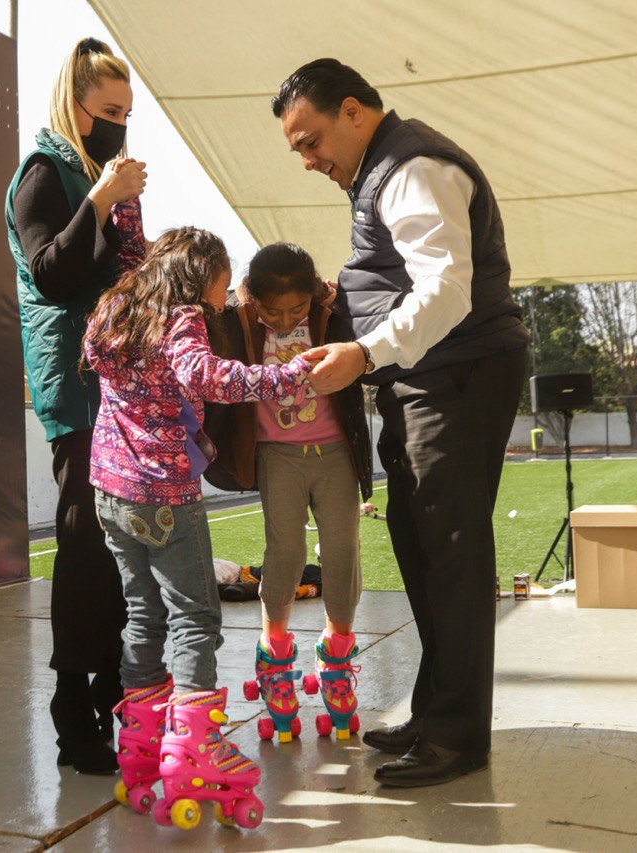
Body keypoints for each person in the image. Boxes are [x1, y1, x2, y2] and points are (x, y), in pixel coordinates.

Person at [272, 58, 530, 787]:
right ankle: (439, 714)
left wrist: (363, 349)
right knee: (423, 548)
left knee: (450, 552)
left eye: (310, 138)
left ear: (353, 111)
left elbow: (445, 288)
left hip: (457, 373)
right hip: (428, 377)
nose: (307, 159)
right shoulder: (381, 172)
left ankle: (457, 738)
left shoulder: (412, 165)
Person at [83, 227, 311, 826]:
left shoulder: (117, 304)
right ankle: (193, 750)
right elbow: (205, 376)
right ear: (201, 272)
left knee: (141, 612)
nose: (223, 289)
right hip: (161, 493)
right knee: (195, 616)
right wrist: (284, 377)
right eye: (221, 276)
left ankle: (139, 746)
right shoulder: (180, 317)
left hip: (109, 488)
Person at [4, 36, 148, 774]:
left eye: (127, 111)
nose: (120, 123)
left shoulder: (96, 176)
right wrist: (101, 198)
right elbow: (53, 272)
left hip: (118, 383)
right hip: (76, 383)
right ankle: (73, 705)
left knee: (119, 543)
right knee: (85, 542)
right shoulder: (43, 174)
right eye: (107, 111)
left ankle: (114, 689)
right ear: (75, 104)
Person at [205, 242, 372, 744]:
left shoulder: (331, 312)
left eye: (296, 309)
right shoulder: (239, 320)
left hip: (335, 453)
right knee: (287, 551)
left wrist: (328, 302)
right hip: (276, 455)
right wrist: (240, 302)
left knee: (342, 548)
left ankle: (338, 650)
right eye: (271, 310)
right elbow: (209, 318)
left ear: (314, 296)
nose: (284, 320)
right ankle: (273, 649)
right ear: (251, 298)